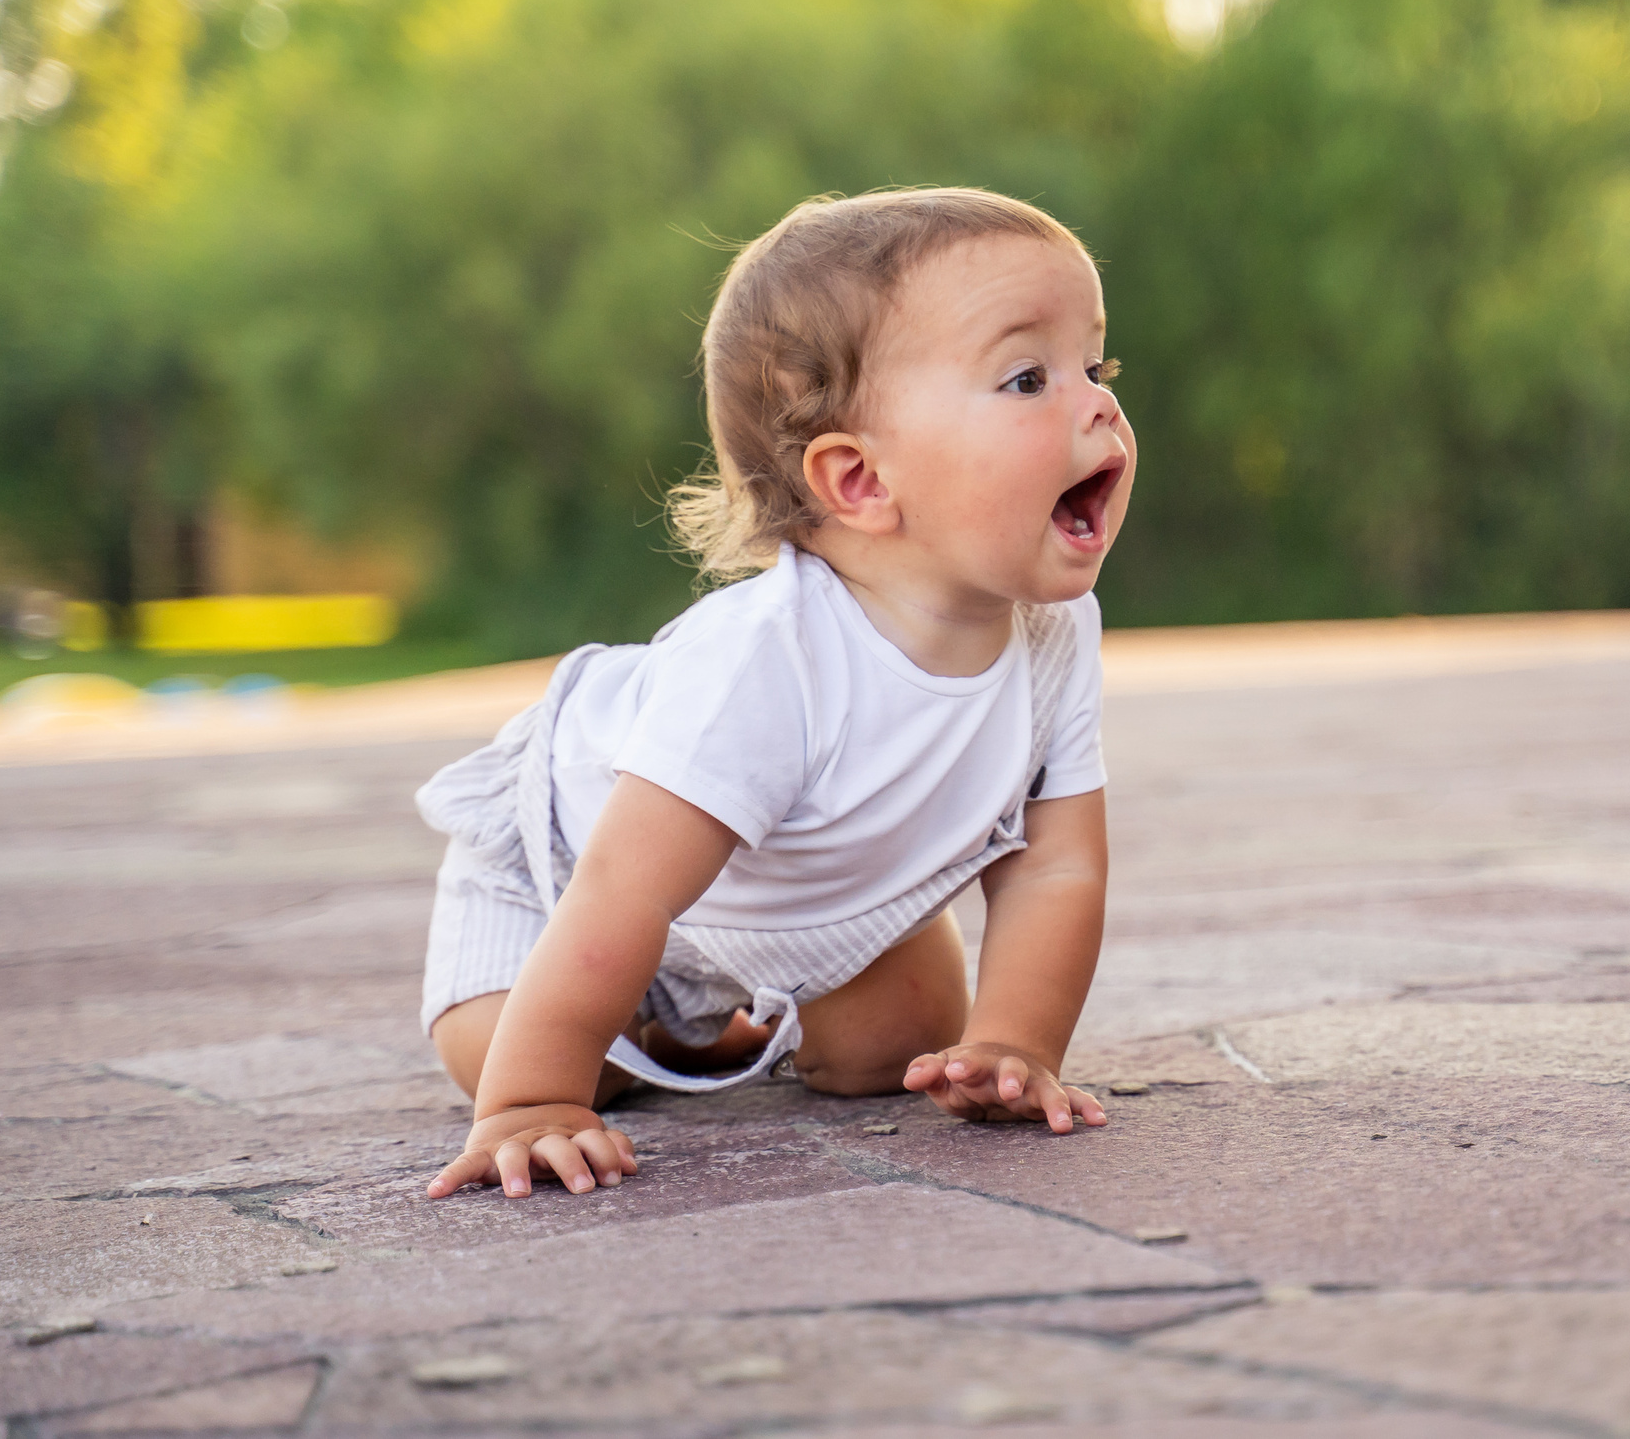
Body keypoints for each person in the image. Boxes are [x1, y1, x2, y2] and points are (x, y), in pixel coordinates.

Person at [415, 187, 1134, 1201]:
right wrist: (530, 1101)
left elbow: (1054, 868)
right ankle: (643, 1036)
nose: (1099, 404)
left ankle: (725, 1021)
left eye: (1094, 368)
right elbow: (627, 889)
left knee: (909, 1040)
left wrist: (1014, 1042)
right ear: (859, 482)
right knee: (526, 1056)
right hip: (563, 874)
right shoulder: (765, 663)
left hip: (783, 902)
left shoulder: (1055, 636)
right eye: (1028, 378)